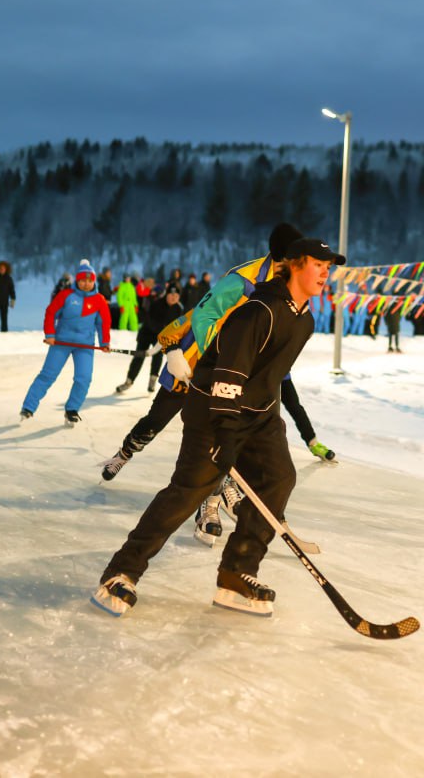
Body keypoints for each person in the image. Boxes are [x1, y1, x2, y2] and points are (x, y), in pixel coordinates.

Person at [92, 237, 345, 618]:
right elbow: (228, 376)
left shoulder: (304, 318)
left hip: (258, 414)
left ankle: (236, 575)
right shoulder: (258, 311)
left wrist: (267, 421)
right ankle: (122, 571)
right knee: (189, 492)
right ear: (293, 265)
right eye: (318, 265)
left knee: (279, 478)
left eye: (330, 267)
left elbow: (269, 376)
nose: (326, 273)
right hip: (213, 408)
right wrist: (227, 435)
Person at [99, 224, 302, 484]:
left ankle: (213, 501)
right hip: (194, 367)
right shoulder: (242, 281)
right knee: (157, 419)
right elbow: (195, 317)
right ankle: (124, 454)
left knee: (225, 436)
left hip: (233, 376)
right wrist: (174, 352)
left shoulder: (286, 287)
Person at [20, 260, 111, 425]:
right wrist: (50, 333)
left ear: (94, 281)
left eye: (90, 281)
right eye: (83, 280)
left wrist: (105, 342)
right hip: (61, 343)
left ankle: (72, 410)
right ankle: (28, 407)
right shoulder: (66, 295)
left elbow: (103, 323)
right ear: (77, 280)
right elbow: (51, 313)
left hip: (85, 346)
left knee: (83, 378)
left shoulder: (99, 300)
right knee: (48, 375)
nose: (86, 284)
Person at [116, 281, 184, 394]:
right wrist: (163, 330)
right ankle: (129, 381)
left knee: (158, 357)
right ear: (166, 294)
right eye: (171, 295)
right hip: (147, 334)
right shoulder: (156, 304)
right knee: (139, 357)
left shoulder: (178, 309)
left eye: (176, 296)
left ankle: (152, 380)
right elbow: (148, 320)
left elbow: (177, 326)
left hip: (161, 338)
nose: (173, 298)